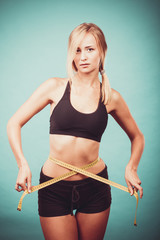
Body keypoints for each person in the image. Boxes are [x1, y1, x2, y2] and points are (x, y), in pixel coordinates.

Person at [7, 23, 145, 240]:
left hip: (95, 187)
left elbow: (137, 137)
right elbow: (13, 123)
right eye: (77, 50)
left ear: (102, 51)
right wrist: (22, 165)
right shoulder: (54, 87)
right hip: (53, 189)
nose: (83, 56)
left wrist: (132, 167)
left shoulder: (111, 97)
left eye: (90, 49)